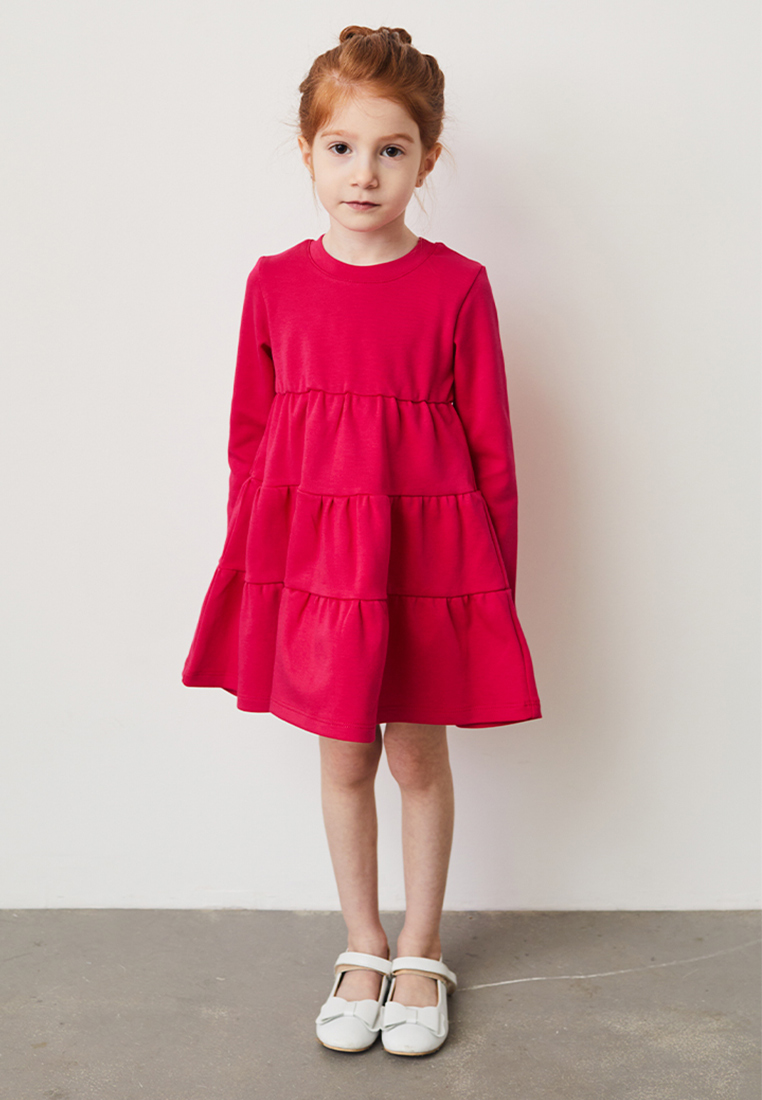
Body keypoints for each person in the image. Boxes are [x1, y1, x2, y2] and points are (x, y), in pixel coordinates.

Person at [182, 24, 542, 1056]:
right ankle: (363, 942)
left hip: (428, 570)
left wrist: (488, 598)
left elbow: (492, 449)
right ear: (308, 152)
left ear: (428, 159)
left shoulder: (457, 286)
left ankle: (421, 948)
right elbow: (251, 440)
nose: (365, 172)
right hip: (320, 575)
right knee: (344, 758)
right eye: (342, 147)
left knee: (418, 757)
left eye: (392, 149)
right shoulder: (273, 283)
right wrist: (265, 575)